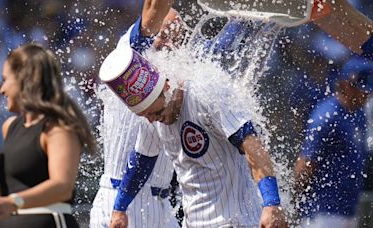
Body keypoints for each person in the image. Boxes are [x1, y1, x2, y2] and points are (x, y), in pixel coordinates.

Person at [100, 28, 288, 228]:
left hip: (236, 221)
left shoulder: (206, 92)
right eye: (145, 116)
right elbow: (142, 161)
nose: (153, 121)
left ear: (167, 87)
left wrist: (272, 203)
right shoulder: (154, 115)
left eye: (155, 113)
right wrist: (119, 209)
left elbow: (252, 144)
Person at [0, 43, 96, 228]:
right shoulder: (10, 127)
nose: (1, 89)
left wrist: (13, 202)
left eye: (5, 79)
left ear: (26, 79)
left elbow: (62, 187)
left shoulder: (59, 128)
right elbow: (15, 189)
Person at [90, 1, 182, 227]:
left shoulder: (177, 71)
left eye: (178, 38)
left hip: (162, 204)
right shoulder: (131, 55)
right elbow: (153, 10)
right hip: (121, 199)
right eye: (166, 33)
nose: (171, 42)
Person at [293, 55, 373, 227]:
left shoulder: (358, 114)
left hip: (348, 210)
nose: (367, 93)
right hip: (322, 212)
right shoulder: (327, 115)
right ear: (346, 84)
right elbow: (305, 164)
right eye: (361, 87)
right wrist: (295, 203)